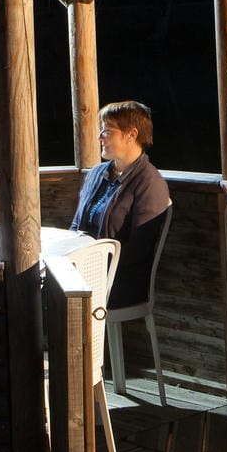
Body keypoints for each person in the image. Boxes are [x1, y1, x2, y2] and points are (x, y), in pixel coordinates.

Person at [71, 99, 172, 308]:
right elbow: (75, 227)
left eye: (107, 131)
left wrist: (90, 266)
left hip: (119, 281)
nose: (100, 137)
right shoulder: (97, 173)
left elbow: (139, 249)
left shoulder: (149, 182)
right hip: (84, 269)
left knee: (54, 296)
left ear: (132, 135)